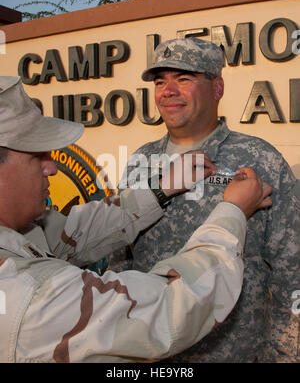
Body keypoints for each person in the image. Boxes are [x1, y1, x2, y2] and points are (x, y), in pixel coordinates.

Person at [0, 76, 272, 363]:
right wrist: (233, 211)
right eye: (37, 156)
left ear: (217, 87)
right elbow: (171, 309)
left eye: (183, 78)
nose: (52, 168)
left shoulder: (22, 235)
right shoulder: (28, 295)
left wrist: (160, 188)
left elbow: (71, 233)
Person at [117, 38, 300, 363]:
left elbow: (292, 271)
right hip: (149, 355)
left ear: (217, 88)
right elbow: (121, 261)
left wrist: (283, 355)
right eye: (160, 81)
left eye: (183, 79)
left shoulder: (259, 159)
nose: (167, 91)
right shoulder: (140, 162)